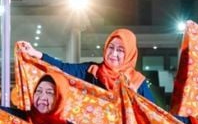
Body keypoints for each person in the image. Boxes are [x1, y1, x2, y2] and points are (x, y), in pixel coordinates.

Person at [18, 28, 156, 103]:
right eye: (110, 47)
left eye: (120, 50)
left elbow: (153, 115)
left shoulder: (138, 82)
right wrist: (37, 54)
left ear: (130, 54)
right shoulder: (91, 71)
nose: (113, 54)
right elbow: (62, 68)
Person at [1, 70, 87, 124]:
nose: (42, 97)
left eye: (49, 93)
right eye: (38, 91)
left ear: (60, 98)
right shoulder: (18, 118)